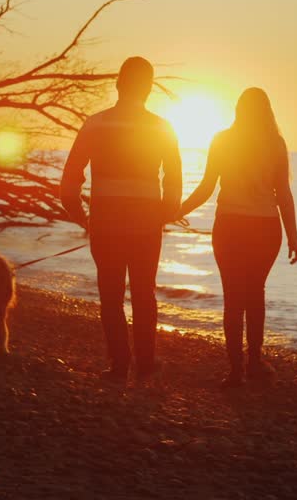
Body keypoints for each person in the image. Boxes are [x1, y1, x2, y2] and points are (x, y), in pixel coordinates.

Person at [60, 57, 181, 383]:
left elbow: (71, 176)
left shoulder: (96, 124)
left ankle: (118, 365)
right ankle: (144, 364)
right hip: (146, 223)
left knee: (111, 295)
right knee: (144, 293)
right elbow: (174, 176)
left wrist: (79, 215)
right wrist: (168, 210)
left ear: (118, 83)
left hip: (106, 221)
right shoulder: (161, 127)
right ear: (148, 87)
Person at [178, 87, 297, 387]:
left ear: (238, 110)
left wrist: (176, 210)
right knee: (255, 293)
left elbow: (207, 186)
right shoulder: (275, 143)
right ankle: (255, 362)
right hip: (265, 227)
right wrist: (293, 235)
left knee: (233, 297)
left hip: (230, 225)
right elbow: (283, 193)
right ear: (267, 111)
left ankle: (235, 370)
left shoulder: (223, 140)